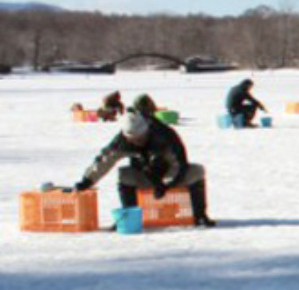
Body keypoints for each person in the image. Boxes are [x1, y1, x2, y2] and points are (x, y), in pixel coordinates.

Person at [73, 94, 214, 226]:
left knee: (197, 171)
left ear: (146, 130)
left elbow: (179, 164)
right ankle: (130, 217)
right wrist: (87, 180)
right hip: (143, 175)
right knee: (125, 174)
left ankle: (200, 215)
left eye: (140, 138)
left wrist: (165, 184)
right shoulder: (122, 141)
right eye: (132, 140)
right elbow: (105, 160)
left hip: (168, 174)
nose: (137, 142)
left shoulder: (164, 135)